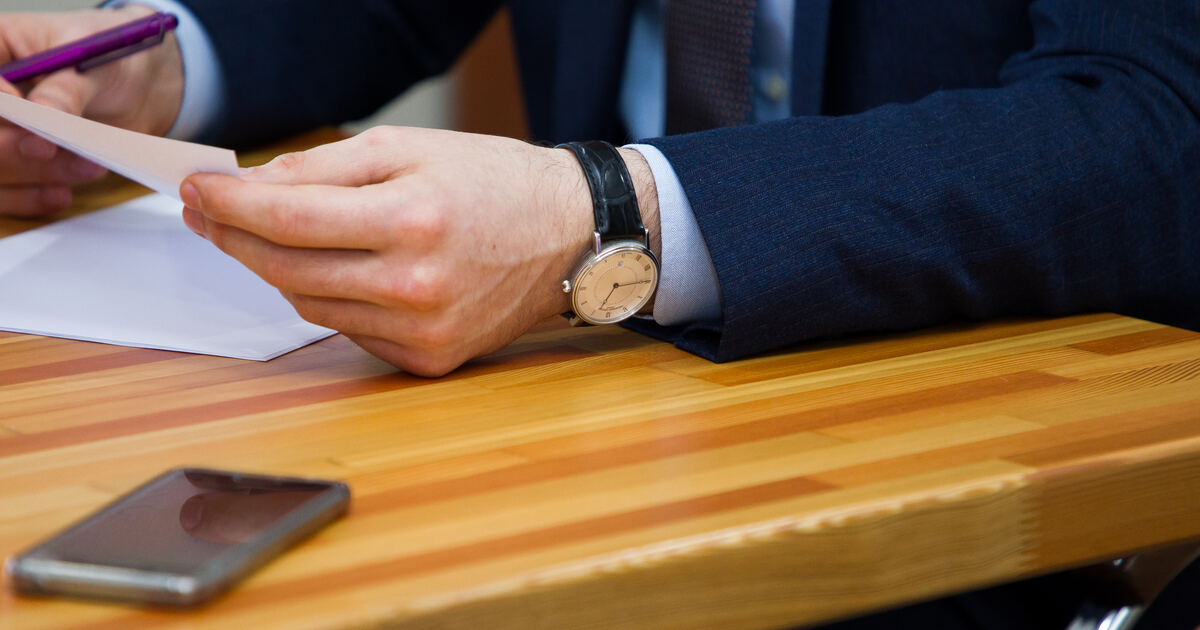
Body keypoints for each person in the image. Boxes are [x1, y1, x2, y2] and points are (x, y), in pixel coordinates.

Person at [1, 3, 1197, 627]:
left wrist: (606, 217)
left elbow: (1149, 119)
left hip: (957, 448)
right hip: (559, 402)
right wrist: (162, 64)